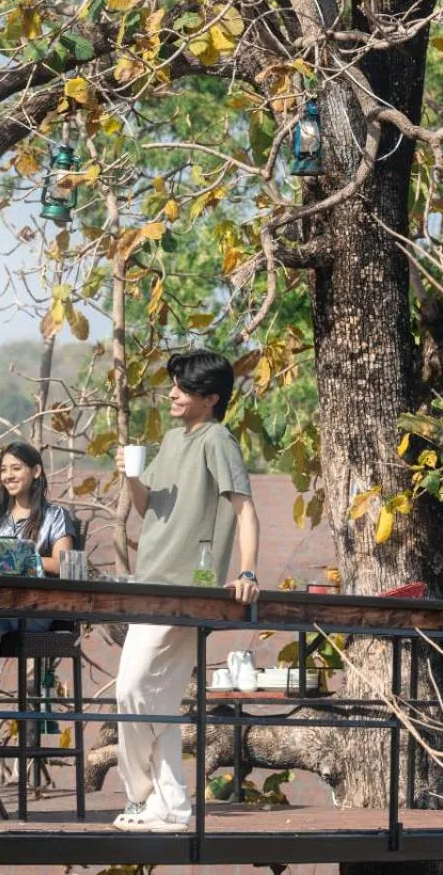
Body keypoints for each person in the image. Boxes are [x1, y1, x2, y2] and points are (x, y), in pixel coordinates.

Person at [111, 351, 260, 833]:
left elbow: (245, 511)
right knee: (151, 701)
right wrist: (131, 476)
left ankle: (143, 799)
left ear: (210, 399)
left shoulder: (218, 440)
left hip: (187, 590)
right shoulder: (172, 439)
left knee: (133, 689)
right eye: (174, 385)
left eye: (183, 388)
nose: (172, 393)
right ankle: (169, 806)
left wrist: (248, 573)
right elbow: (145, 506)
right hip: (150, 582)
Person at [0, 442, 80, 708]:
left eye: (16, 468)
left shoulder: (55, 515)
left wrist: (21, 558)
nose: (8, 476)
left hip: (34, 609)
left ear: (36, 471)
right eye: (4, 470)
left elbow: (64, 564)